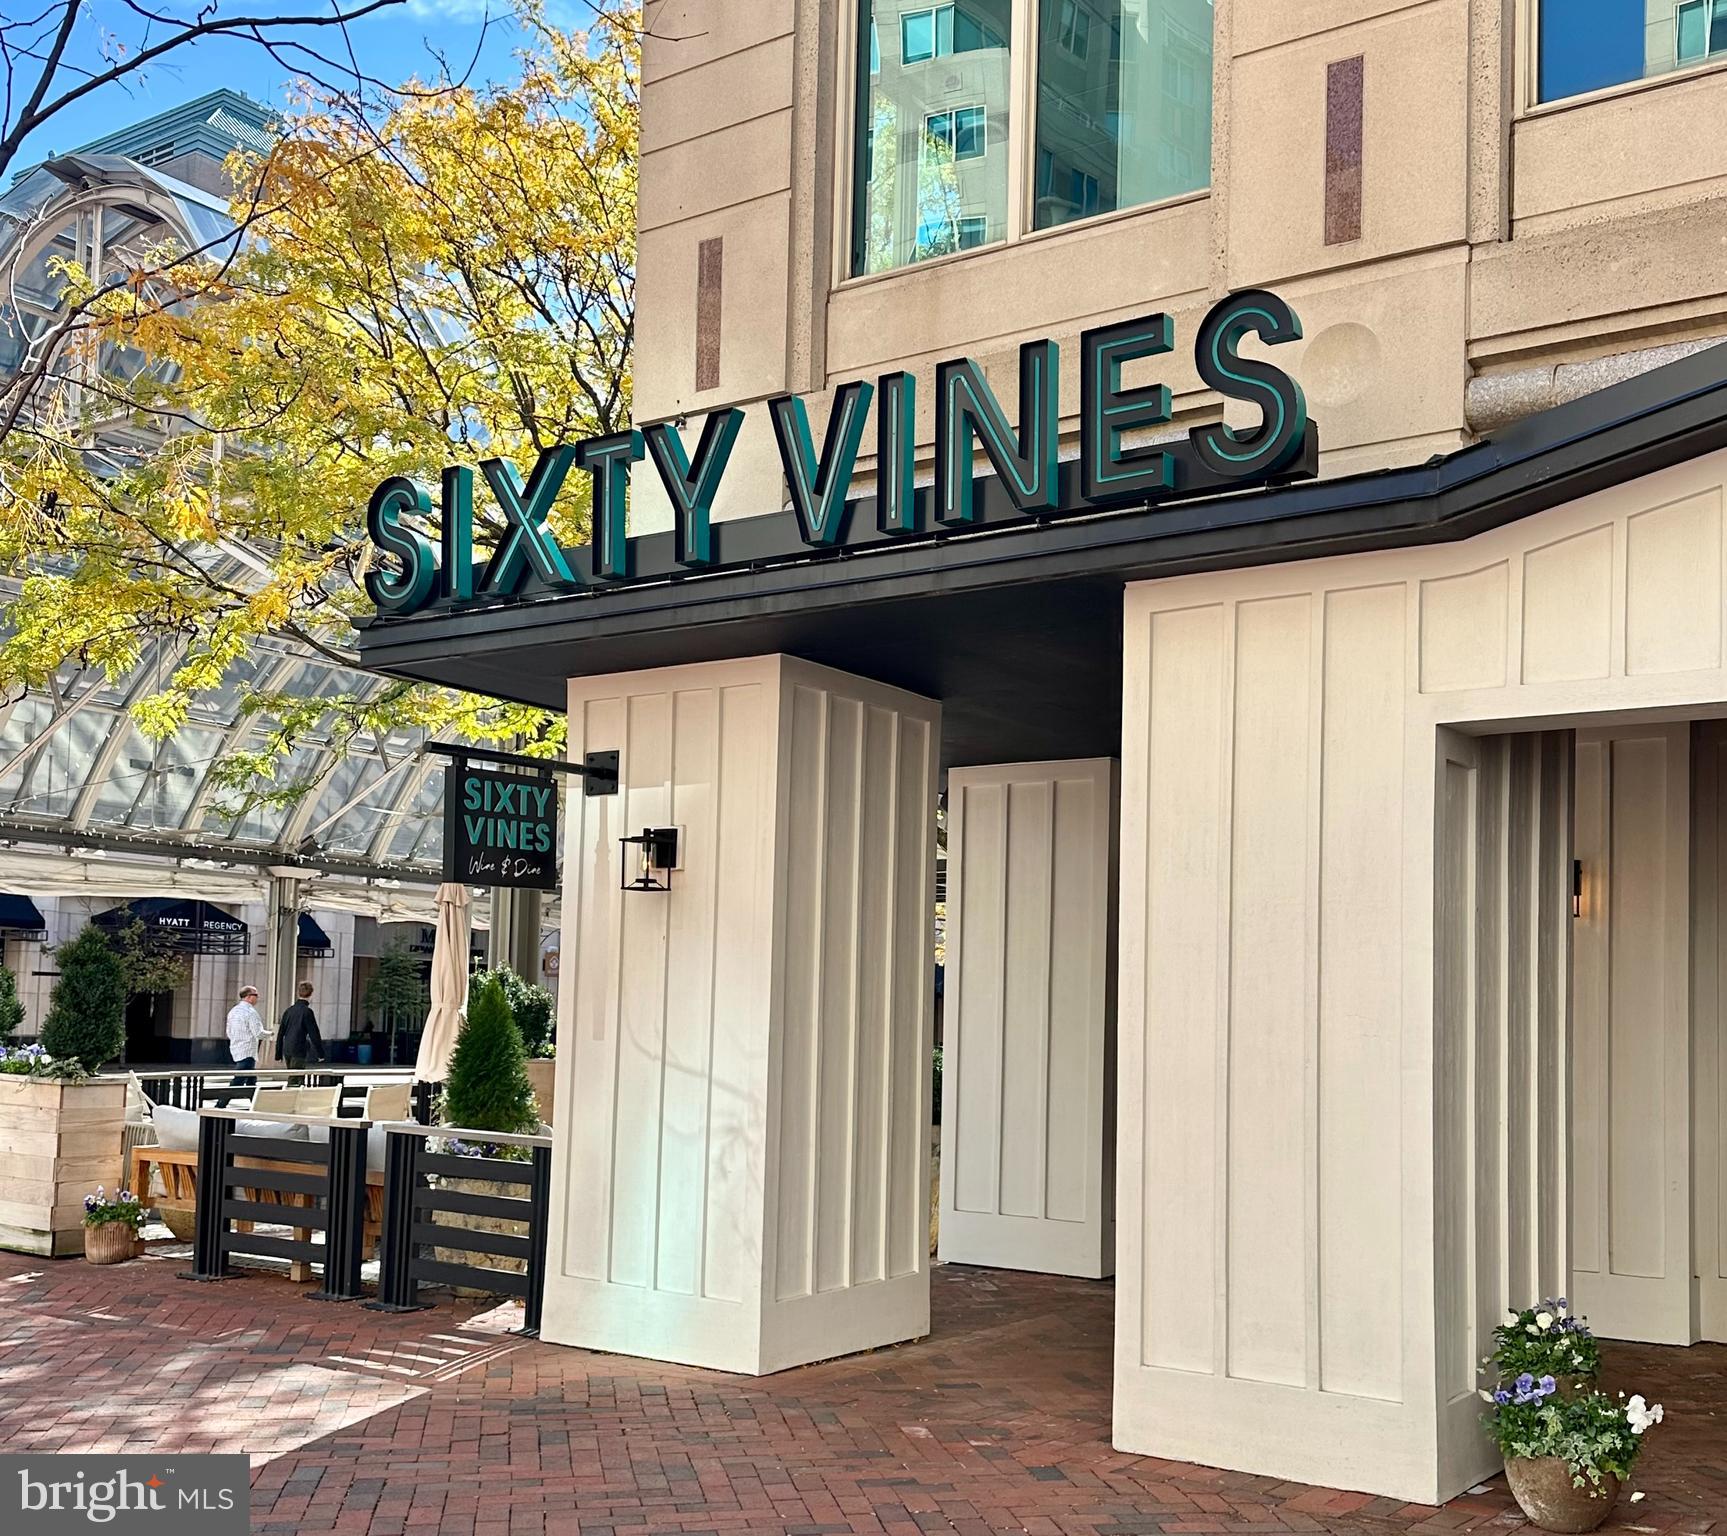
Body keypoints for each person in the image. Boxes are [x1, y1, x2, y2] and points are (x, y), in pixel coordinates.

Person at [276, 980, 325, 1070]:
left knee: (291, 1074)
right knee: (296, 1078)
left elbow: (280, 1033)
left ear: (298, 993)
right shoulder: (307, 1012)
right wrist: (320, 1053)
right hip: (299, 1049)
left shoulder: (289, 1011)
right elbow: (314, 1033)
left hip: (287, 1048)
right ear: (311, 995)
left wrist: (278, 1053)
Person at [225, 984, 266, 1088]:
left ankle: (255, 1101)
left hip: (236, 1049)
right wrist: (271, 1034)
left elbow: (229, 1031)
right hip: (248, 1051)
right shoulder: (251, 1012)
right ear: (248, 996)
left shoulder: (233, 1011)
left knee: (251, 1080)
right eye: (256, 995)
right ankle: (221, 1102)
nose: (257, 997)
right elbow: (258, 1033)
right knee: (238, 1080)